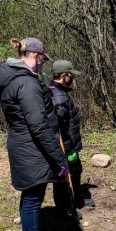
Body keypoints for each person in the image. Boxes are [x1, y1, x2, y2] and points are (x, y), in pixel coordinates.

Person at [0, 37, 68, 231]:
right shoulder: (26, 83)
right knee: (33, 197)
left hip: (23, 143)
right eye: (43, 59)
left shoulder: (13, 78)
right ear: (34, 56)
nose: (43, 63)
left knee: (30, 195)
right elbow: (38, 124)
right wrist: (58, 157)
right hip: (31, 147)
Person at [49, 59, 95, 211]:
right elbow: (58, 125)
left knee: (76, 171)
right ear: (64, 75)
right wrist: (66, 148)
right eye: (71, 75)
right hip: (66, 146)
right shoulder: (58, 96)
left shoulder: (60, 92)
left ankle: (76, 201)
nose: (73, 78)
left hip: (71, 145)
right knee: (63, 177)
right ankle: (66, 208)